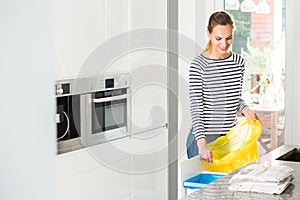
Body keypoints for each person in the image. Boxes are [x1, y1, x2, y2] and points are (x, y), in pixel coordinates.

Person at [187, 11, 259, 162]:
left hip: (228, 139)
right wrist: (202, 145)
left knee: (228, 185)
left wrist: (244, 109)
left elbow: (234, 98)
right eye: (218, 38)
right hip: (204, 141)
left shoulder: (238, 62)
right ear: (208, 33)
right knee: (206, 186)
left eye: (229, 38)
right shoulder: (199, 65)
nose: (224, 44)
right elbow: (196, 108)